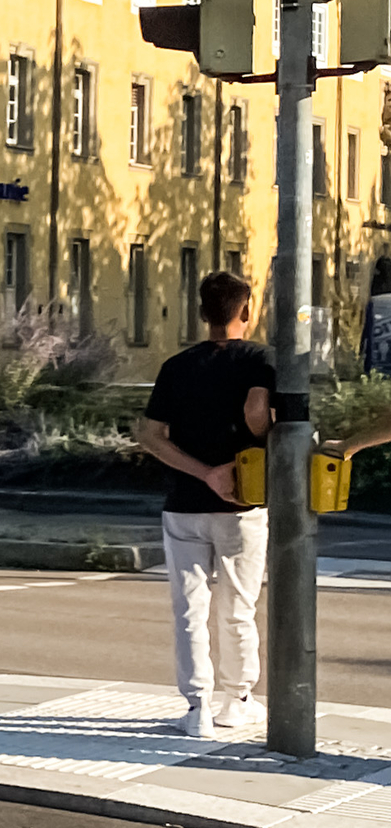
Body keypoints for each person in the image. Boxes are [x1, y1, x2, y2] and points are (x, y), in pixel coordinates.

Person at [136, 271, 274, 738]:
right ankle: (237, 700)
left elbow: (151, 436)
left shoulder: (177, 366)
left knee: (188, 606)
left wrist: (204, 473)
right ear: (247, 311)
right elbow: (257, 415)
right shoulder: (260, 359)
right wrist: (246, 452)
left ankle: (196, 706)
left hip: (184, 503)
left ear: (201, 314)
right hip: (243, 502)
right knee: (238, 605)